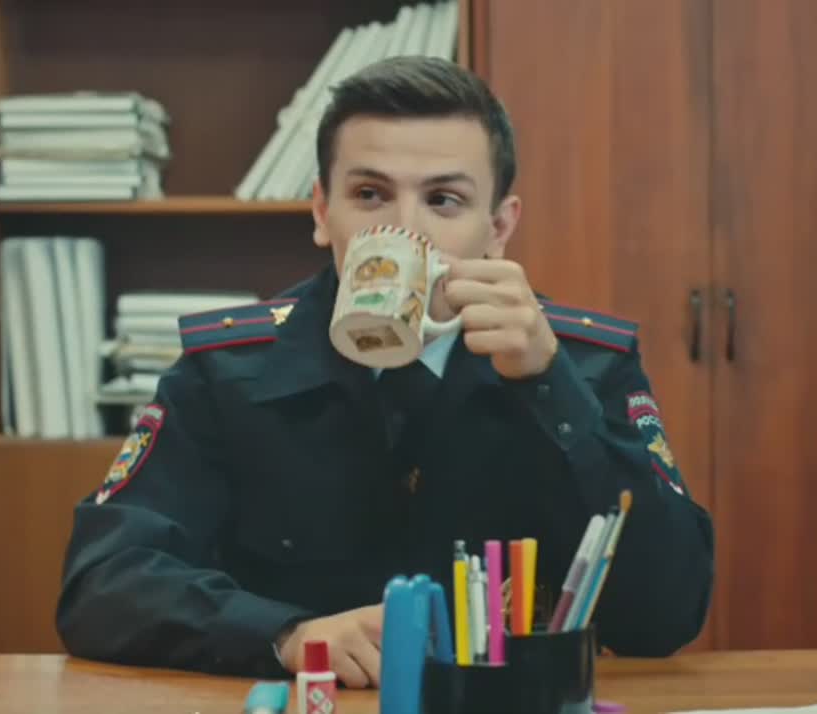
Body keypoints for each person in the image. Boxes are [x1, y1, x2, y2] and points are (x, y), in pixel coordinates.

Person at [56, 56, 714, 688]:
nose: (405, 230)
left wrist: (549, 383)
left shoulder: (586, 365)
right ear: (323, 213)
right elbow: (103, 583)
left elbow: (667, 613)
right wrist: (285, 635)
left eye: (444, 200)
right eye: (370, 195)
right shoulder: (228, 369)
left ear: (498, 227)